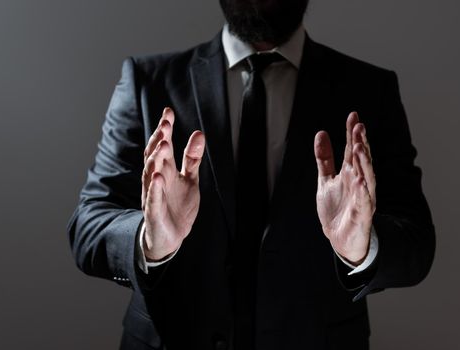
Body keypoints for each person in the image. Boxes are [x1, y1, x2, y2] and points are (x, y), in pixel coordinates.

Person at [67, 0, 435, 349]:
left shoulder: (370, 89)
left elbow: (416, 244)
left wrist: (361, 247)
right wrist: (149, 242)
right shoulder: (147, 81)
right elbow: (90, 224)